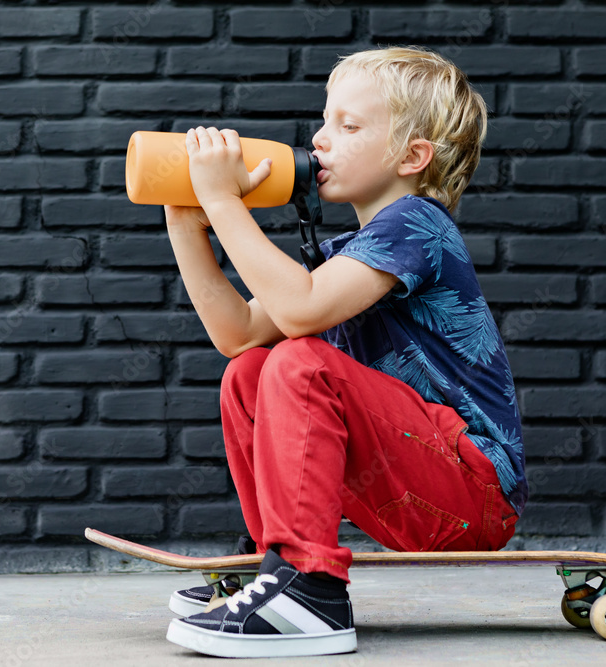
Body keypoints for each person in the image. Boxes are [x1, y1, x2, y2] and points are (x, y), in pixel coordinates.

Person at [161, 46, 527, 659]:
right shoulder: (346, 257)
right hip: (413, 482)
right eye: (325, 120)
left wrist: (226, 203)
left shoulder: (418, 223)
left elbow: (301, 310)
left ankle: (311, 593)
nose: (320, 138)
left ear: (413, 158)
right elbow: (238, 335)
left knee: (301, 361)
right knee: (253, 371)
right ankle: (277, 568)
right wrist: (187, 220)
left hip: (473, 491)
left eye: (349, 126)